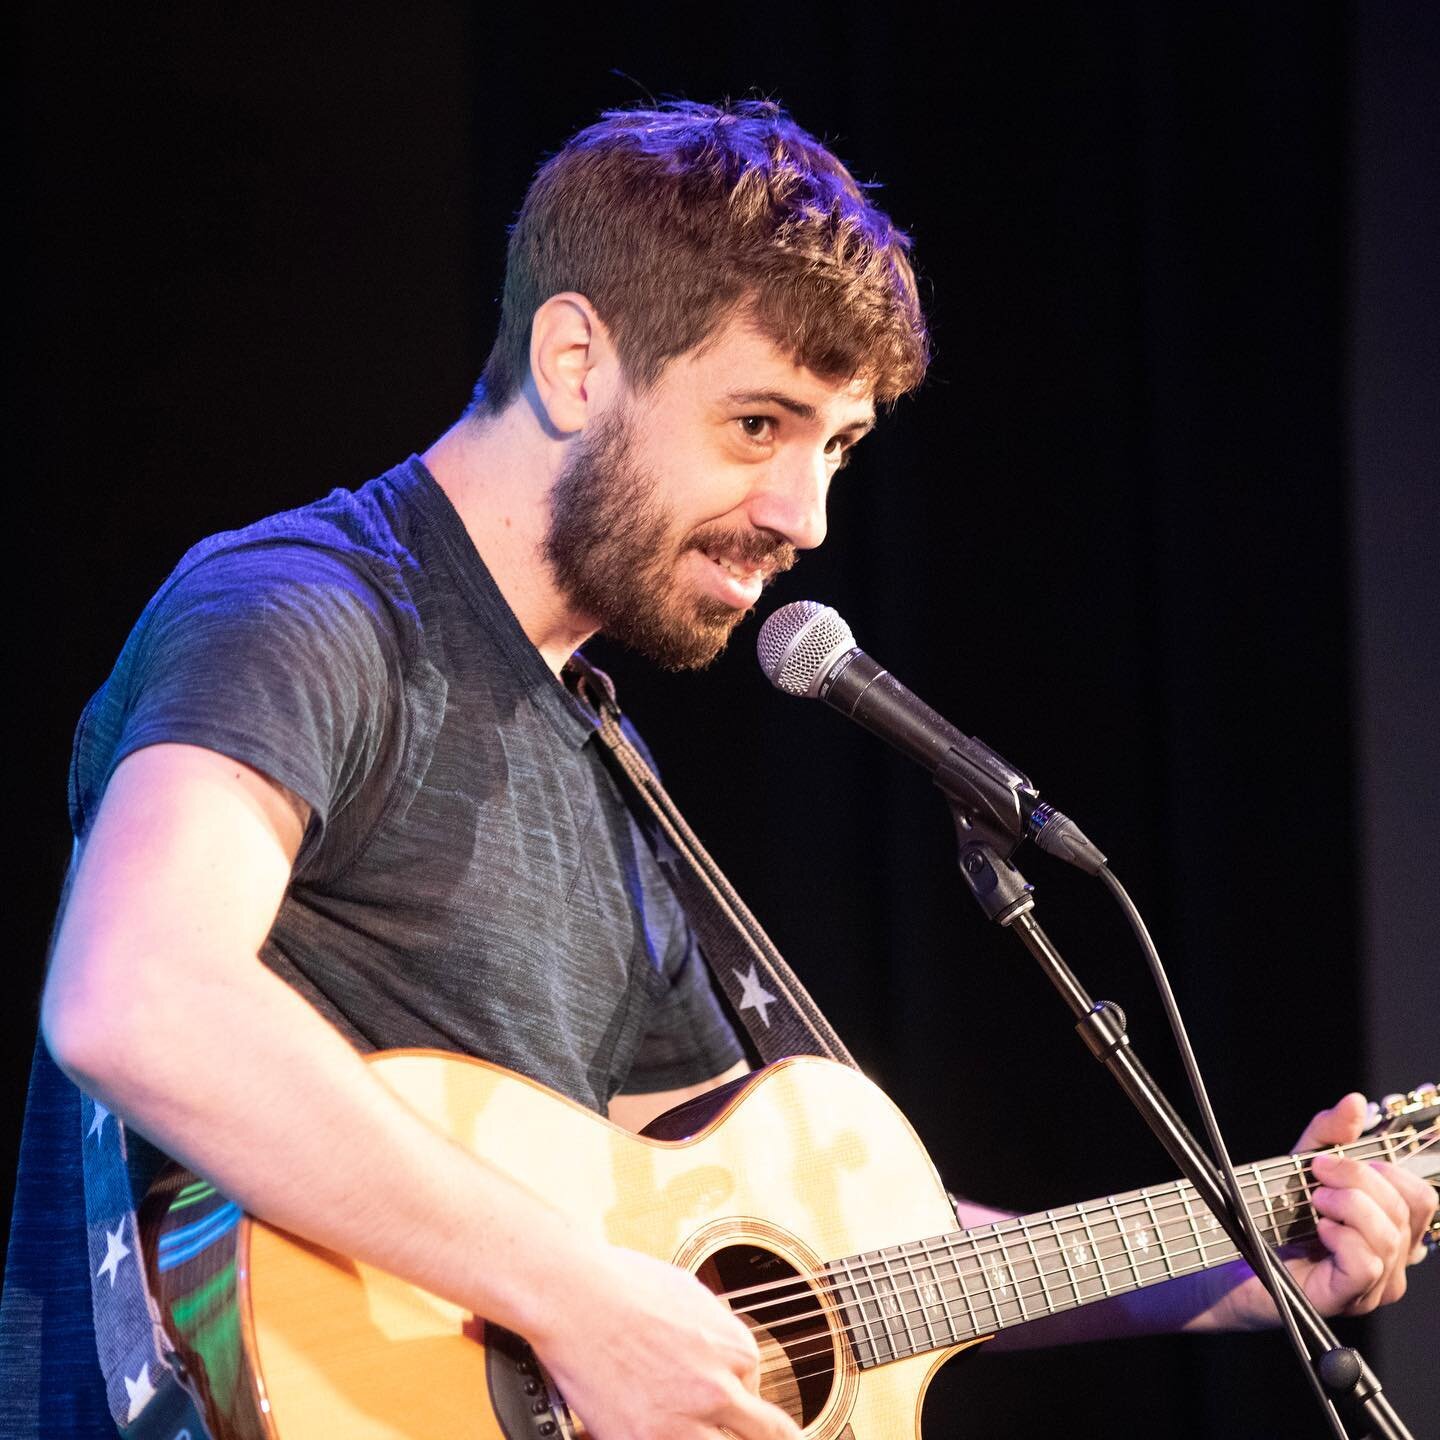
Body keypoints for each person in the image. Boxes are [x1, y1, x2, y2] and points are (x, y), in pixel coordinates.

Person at [10, 100, 1434, 1440]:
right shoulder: (307, 609)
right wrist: (568, 1297)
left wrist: (1244, 1264)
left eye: (840, 448)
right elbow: (137, 997)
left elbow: (842, 1263)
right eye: (758, 425)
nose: (804, 514)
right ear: (577, 363)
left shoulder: (598, 762)